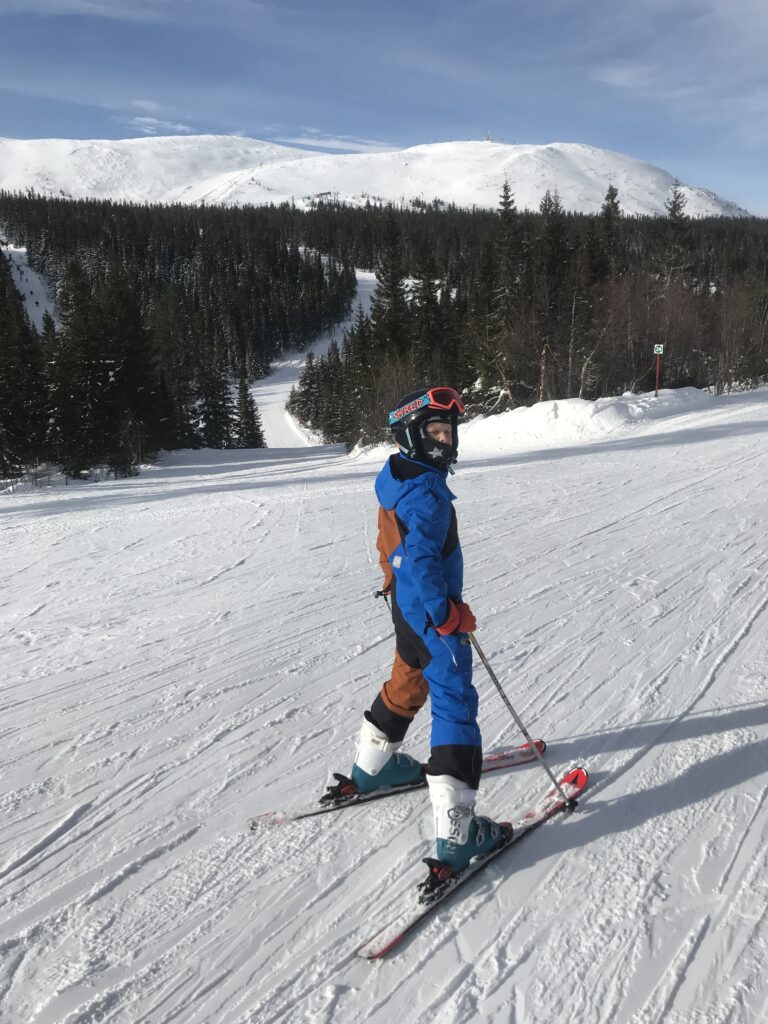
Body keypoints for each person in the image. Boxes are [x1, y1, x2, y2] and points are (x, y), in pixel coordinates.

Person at [325, 386, 510, 878]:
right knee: (454, 700)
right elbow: (425, 560)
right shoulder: (427, 495)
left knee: (409, 676)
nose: (446, 443)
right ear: (412, 434)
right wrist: (448, 615)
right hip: (429, 613)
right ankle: (457, 833)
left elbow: (400, 550)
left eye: (449, 431)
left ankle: (373, 765)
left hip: (404, 607)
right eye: (435, 432)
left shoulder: (398, 476)